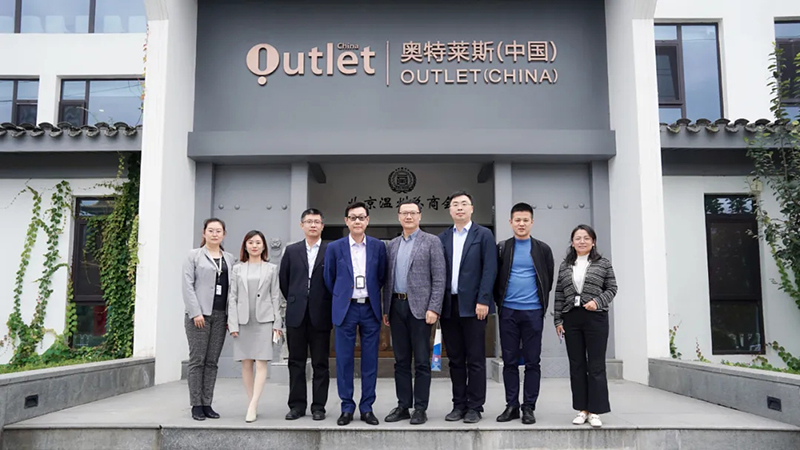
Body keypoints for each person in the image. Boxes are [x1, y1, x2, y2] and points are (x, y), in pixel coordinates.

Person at [382, 200, 446, 425]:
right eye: (404, 213)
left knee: (421, 361)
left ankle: (420, 408)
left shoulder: (432, 242)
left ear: (420, 216)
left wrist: (434, 307)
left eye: (412, 213)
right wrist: (386, 308)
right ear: (398, 216)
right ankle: (403, 405)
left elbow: (439, 278)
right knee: (400, 361)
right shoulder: (392, 245)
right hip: (396, 306)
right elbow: (387, 279)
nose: (408, 217)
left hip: (421, 308)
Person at [324, 202, 387, 426]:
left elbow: (382, 276)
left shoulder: (378, 246)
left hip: (370, 308)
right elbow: (329, 278)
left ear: (367, 220)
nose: (357, 221)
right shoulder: (335, 247)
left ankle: (367, 407)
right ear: (346, 221)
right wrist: (343, 296)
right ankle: (347, 407)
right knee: (344, 360)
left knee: (370, 360)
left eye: (361, 217)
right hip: (346, 308)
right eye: (353, 217)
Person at [437, 190, 497, 424]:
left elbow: (489, 269)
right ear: (450, 210)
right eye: (455, 204)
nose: (459, 208)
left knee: (475, 358)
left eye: (464, 204)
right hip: (449, 306)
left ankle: (475, 406)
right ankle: (458, 404)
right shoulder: (442, 238)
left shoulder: (484, 235)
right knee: (455, 359)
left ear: (471, 208)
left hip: (474, 307)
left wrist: (484, 300)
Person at [494, 202, 554, 425]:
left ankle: (529, 407)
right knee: (509, 361)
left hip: (533, 312)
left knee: (532, 362)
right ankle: (511, 405)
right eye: (517, 220)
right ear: (510, 222)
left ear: (532, 222)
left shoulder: (542, 249)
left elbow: (547, 279)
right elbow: (495, 278)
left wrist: (540, 305)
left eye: (525, 220)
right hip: (508, 311)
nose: (521, 224)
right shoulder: (502, 248)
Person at [554, 224, 618, 428]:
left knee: (596, 365)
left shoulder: (603, 264)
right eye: (578, 238)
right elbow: (559, 293)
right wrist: (558, 320)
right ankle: (582, 409)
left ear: (593, 242)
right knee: (577, 365)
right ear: (572, 242)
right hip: (571, 318)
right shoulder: (565, 265)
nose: (582, 241)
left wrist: (597, 302)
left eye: (586, 238)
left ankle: (595, 410)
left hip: (595, 317)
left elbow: (612, 288)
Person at [279, 208, 332, 421]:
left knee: (321, 363)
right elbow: (284, 280)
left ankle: (319, 406)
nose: (313, 225)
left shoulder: (331, 249)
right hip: (296, 313)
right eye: (309, 221)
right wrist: (297, 299)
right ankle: (297, 405)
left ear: (322, 226)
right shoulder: (292, 251)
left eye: (317, 222)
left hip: (321, 313)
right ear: (302, 225)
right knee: (296, 361)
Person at [227, 230, 284, 422]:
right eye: (251, 242)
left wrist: (277, 323)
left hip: (264, 320)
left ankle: (253, 405)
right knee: (246, 362)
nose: (254, 246)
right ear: (245, 246)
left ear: (264, 246)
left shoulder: (271, 269)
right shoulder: (237, 269)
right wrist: (232, 323)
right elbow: (232, 297)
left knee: (261, 362)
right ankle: (251, 401)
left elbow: (275, 296)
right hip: (243, 321)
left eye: (258, 242)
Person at [182, 218, 235, 421]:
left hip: (221, 316)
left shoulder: (229, 258)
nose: (214, 234)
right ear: (204, 233)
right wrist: (195, 312)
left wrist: (232, 316)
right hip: (200, 315)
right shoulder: (194, 255)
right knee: (198, 360)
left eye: (218, 231)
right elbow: (187, 285)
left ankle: (207, 403)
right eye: (211, 230)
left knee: (212, 361)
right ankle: (196, 404)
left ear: (224, 234)